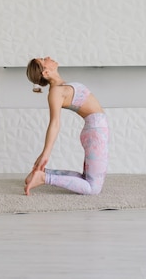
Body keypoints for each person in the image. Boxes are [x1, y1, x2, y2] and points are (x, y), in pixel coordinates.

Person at [24, 56, 109, 195]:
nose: (48, 57)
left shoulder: (60, 87)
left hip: (95, 130)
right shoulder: (55, 92)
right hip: (96, 132)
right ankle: (44, 177)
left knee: (86, 179)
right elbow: (55, 123)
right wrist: (46, 153)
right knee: (93, 188)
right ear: (45, 72)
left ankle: (41, 173)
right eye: (43, 59)